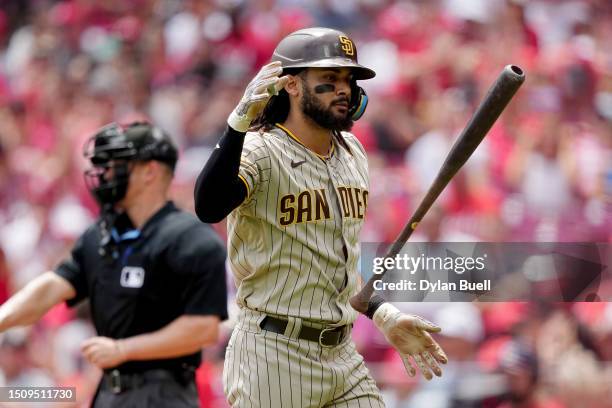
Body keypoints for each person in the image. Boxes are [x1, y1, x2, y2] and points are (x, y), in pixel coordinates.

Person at [195, 27, 447, 407]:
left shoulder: (353, 154)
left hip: (341, 353)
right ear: (292, 85)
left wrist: (382, 314)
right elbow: (208, 206)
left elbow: (337, 262)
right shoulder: (261, 150)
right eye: (329, 79)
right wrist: (236, 125)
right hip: (274, 353)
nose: (344, 89)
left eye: (348, 80)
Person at [0, 121, 228, 407]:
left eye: (118, 166)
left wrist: (124, 349)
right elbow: (53, 287)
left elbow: (203, 329)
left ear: (150, 172)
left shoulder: (191, 238)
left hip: (164, 393)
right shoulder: (101, 235)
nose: (106, 175)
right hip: (109, 391)